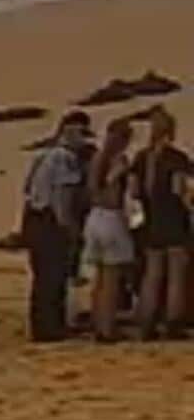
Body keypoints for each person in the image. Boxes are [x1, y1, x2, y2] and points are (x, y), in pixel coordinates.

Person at [22, 114, 88, 342]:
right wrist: (70, 228)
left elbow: (28, 188)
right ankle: (51, 327)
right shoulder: (65, 159)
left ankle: (42, 325)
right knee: (53, 276)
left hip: (33, 218)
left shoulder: (43, 155)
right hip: (49, 221)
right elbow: (62, 198)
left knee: (42, 277)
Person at [132, 107, 192, 341]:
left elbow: (135, 192)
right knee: (176, 273)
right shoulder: (176, 158)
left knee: (153, 273)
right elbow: (180, 190)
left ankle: (146, 322)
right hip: (174, 219)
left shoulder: (142, 157)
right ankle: (172, 321)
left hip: (152, 218)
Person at [81, 118, 134, 343]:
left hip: (93, 219)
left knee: (99, 278)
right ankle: (107, 327)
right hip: (111, 218)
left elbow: (91, 192)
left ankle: (97, 323)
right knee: (112, 279)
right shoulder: (118, 161)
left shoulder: (96, 159)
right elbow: (112, 197)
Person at [62, 111, 99, 287]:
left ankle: (71, 272)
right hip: (74, 199)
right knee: (74, 237)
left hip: (78, 200)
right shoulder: (64, 153)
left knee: (76, 238)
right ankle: (71, 273)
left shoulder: (86, 152)